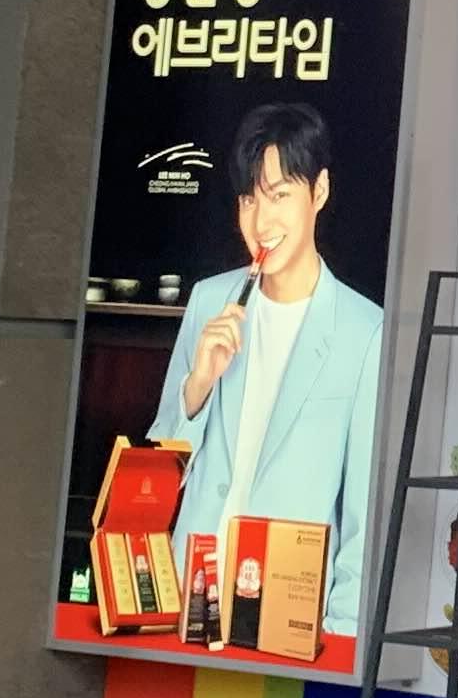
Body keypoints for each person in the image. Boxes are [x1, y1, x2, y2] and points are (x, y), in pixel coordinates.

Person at [149, 104, 383, 642]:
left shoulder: (364, 331)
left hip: (286, 615)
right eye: (250, 200)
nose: (261, 222)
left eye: (279, 196)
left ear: (319, 192)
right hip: (192, 600)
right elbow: (160, 469)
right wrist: (197, 386)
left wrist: (341, 634)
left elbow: (363, 513)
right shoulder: (209, 302)